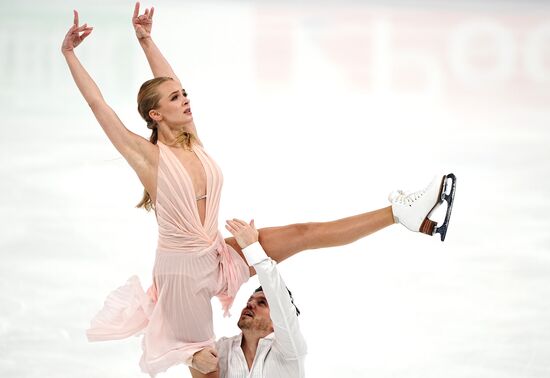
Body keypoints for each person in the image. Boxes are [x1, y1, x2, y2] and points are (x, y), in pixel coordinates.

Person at [61, 4, 456, 378]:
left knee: (301, 235)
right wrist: (70, 55)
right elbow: (100, 107)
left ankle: (399, 214)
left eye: (185, 95)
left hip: (215, 253)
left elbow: (170, 82)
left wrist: (146, 41)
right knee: (207, 365)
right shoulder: (149, 158)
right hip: (180, 276)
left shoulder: (190, 139)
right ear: (155, 115)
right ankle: (194, 357)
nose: (186, 100)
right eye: (176, 99)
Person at [192, 218, 307, 377]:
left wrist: (252, 248)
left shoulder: (290, 351)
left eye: (262, 303)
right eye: (250, 300)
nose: (251, 304)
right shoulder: (221, 350)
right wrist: (190, 358)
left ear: (276, 322)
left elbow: (280, 302)